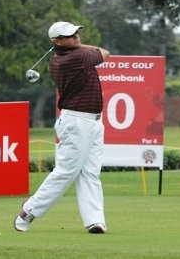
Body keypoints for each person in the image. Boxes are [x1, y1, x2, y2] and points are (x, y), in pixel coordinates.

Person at [14, 21, 110, 234]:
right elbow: (104, 52)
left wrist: (73, 44)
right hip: (77, 122)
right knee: (66, 172)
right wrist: (81, 46)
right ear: (57, 41)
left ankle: (95, 221)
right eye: (70, 35)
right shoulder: (74, 58)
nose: (76, 37)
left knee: (90, 173)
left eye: (76, 33)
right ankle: (28, 210)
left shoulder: (63, 55)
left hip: (93, 121)